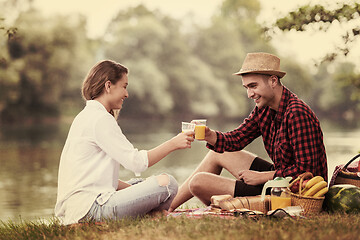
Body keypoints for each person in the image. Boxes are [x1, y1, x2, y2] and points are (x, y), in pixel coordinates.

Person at [169, 52, 327, 211]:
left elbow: (308, 171)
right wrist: (210, 135)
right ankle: (167, 208)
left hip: (292, 193)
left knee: (198, 182)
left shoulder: (297, 113)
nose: (250, 94)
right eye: (247, 88)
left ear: (273, 81)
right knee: (216, 153)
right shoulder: (264, 109)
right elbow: (237, 139)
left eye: (253, 86)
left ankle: (232, 208)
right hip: (278, 179)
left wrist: (262, 177)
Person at [54, 60, 194, 225]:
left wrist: (140, 190)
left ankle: (149, 213)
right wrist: (174, 143)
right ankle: (151, 213)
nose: (126, 94)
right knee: (168, 184)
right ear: (108, 86)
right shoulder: (100, 119)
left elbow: (94, 177)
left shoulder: (85, 116)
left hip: (79, 207)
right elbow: (137, 163)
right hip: (91, 210)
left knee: (140, 184)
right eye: (124, 86)